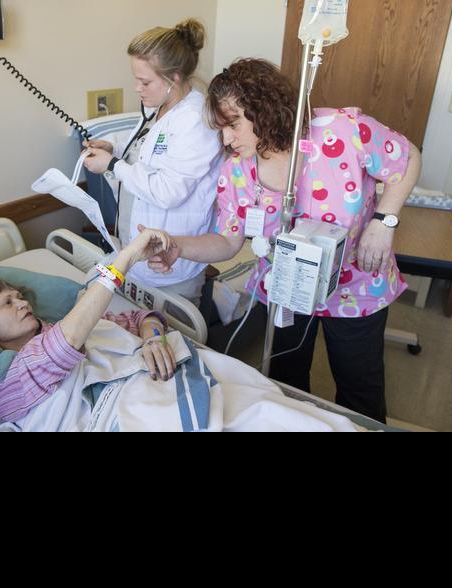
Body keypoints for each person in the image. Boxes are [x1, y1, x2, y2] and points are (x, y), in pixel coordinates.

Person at [145, 58, 422, 423]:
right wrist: (177, 245)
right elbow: (227, 242)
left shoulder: (342, 131)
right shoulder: (237, 169)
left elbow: (408, 158)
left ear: (266, 109)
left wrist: (384, 222)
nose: (226, 140)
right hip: (285, 288)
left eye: (233, 125)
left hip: (356, 286)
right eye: (220, 130)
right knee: (287, 384)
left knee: (360, 388)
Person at [0, 227, 176, 422]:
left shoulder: (72, 324)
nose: (22, 303)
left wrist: (154, 338)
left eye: (19, 296)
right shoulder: (6, 382)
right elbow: (63, 345)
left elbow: (143, 317)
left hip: (161, 385)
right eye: (7, 302)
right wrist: (126, 258)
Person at [82, 18, 223, 306]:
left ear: (174, 78)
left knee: (171, 342)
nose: (137, 88)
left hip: (172, 261)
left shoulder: (196, 121)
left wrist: (112, 165)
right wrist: (115, 146)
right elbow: (151, 149)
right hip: (139, 247)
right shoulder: (164, 107)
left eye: (145, 81)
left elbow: (168, 191)